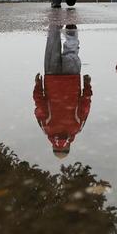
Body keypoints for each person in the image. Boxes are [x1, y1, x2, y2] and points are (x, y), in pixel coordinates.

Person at [34, 23, 92, 158]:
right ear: (53, 146)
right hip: (51, 78)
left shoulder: (76, 128)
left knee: (71, 52)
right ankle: (54, 19)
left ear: (69, 146)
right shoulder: (47, 128)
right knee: (52, 46)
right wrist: (38, 85)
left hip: (72, 80)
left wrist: (87, 84)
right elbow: (40, 105)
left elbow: (85, 105)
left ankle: (71, 30)